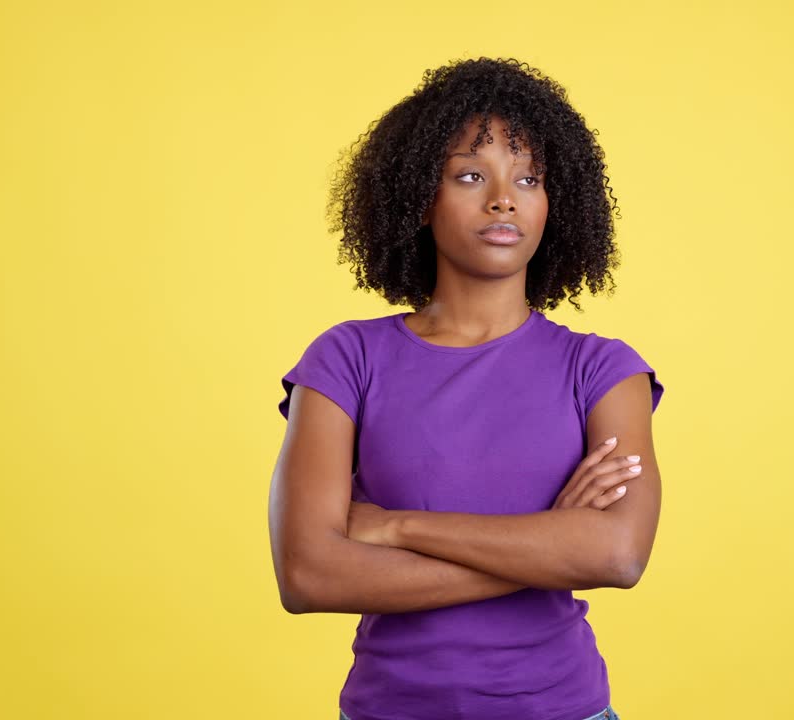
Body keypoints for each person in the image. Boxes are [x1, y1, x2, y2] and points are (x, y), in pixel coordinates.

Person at [269, 57, 663, 720]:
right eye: (470, 175)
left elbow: (619, 554)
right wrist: (551, 545)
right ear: (422, 196)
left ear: (553, 202)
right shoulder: (346, 358)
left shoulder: (603, 371)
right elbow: (308, 575)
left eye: (529, 178)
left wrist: (394, 528)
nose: (503, 198)